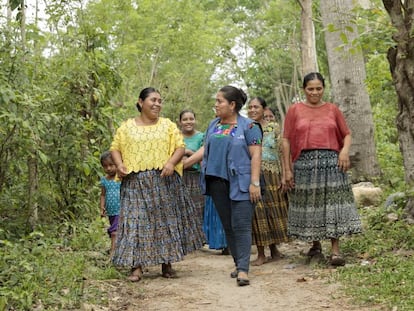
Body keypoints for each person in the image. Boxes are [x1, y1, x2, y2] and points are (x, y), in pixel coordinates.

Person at [110, 87, 204, 282]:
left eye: (160, 101)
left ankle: (166, 264)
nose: (157, 104)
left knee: (164, 222)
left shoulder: (167, 125)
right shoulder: (127, 127)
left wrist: (171, 163)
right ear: (140, 102)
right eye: (153, 100)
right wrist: (119, 165)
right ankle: (136, 267)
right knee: (135, 221)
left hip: (163, 179)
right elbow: (115, 148)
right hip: (134, 182)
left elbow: (180, 147)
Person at [184, 85, 263, 286]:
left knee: (241, 225)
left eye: (219, 101)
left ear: (232, 104)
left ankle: (244, 270)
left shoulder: (250, 127)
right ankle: (238, 263)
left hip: (242, 182)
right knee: (228, 225)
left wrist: (255, 183)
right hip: (217, 181)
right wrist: (185, 163)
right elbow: (205, 148)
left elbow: (256, 154)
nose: (216, 105)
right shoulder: (213, 125)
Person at [281, 72, 362, 266]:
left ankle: (335, 250)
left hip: (332, 162)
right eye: (310, 89)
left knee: (332, 204)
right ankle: (315, 244)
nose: (315, 92)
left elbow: (347, 134)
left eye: (318, 88)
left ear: (323, 89)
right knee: (310, 204)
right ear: (304, 90)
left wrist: (344, 152)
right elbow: (286, 140)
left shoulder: (332, 109)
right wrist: (287, 170)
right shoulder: (295, 110)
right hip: (304, 163)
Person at [247, 97, 289, 266]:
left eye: (256, 107)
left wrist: (286, 173)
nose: (252, 110)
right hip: (254, 176)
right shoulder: (247, 128)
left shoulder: (274, 128)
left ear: (264, 109)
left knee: (273, 211)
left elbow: (282, 151)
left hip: (273, 175)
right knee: (257, 212)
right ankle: (261, 253)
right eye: (250, 107)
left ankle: (274, 250)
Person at [179, 109, 205, 221]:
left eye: (191, 119)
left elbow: (204, 158)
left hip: (196, 178)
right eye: (185, 119)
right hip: (178, 178)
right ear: (180, 122)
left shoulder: (202, 137)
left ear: (195, 120)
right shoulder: (175, 136)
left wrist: (189, 152)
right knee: (180, 210)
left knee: (197, 211)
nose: (188, 122)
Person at [99, 151, 121, 258]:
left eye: (111, 165)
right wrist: (102, 207)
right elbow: (103, 194)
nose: (108, 168)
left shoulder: (121, 177)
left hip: (121, 209)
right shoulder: (104, 180)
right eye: (105, 166)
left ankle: (113, 254)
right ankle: (117, 250)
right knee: (115, 230)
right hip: (111, 211)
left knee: (114, 232)